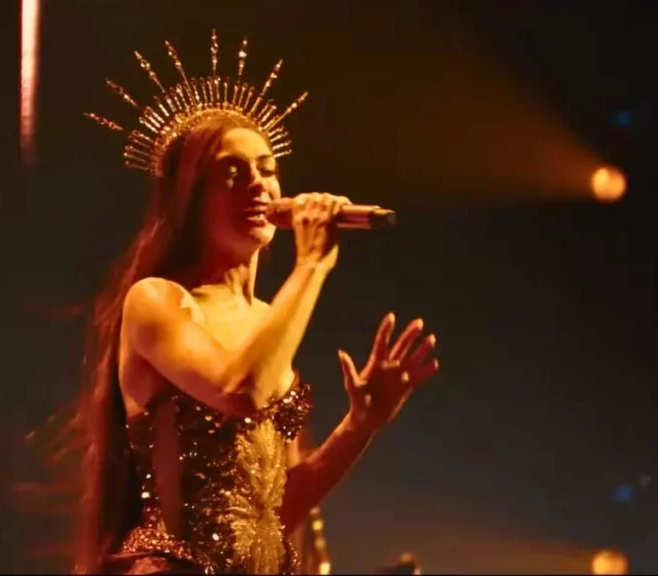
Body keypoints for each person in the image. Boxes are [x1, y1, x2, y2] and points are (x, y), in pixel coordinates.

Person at [62, 32, 440, 575]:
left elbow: (270, 515)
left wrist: (361, 425)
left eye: (266, 168)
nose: (258, 185)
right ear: (190, 199)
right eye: (232, 173)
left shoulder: (267, 320)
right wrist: (311, 265)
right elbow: (241, 391)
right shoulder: (158, 301)